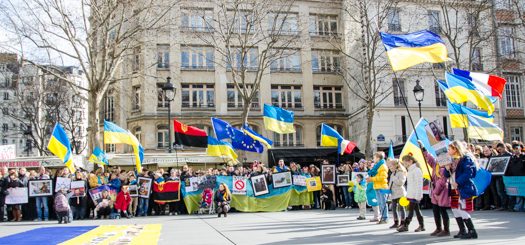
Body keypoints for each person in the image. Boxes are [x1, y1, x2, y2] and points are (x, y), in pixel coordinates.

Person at [445, 140, 478, 239]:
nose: (448, 150)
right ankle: (462, 230)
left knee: (461, 208)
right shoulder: (452, 159)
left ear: (455, 149)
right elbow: (446, 175)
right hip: (453, 187)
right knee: (455, 209)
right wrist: (447, 169)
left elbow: (469, 172)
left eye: (449, 149)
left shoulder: (466, 158)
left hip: (462, 187)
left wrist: (458, 182)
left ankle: (472, 231)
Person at [397, 155, 425, 232]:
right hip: (411, 194)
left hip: (415, 194)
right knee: (416, 210)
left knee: (411, 210)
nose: (404, 164)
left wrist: (417, 195)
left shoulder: (416, 170)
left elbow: (419, 184)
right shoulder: (410, 170)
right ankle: (421, 225)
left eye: (405, 163)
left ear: (410, 161)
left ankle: (406, 225)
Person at [367, 152, 389, 224]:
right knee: (380, 203)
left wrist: (372, 179)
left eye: (374, 157)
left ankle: (385, 218)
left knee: (383, 203)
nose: (373, 159)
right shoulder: (377, 166)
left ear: (378, 158)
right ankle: (382, 217)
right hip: (377, 186)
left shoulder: (382, 166)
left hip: (382, 187)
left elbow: (383, 177)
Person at [387, 159, 407, 229]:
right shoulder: (393, 173)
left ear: (396, 165)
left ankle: (403, 222)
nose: (390, 168)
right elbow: (390, 183)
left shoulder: (401, 172)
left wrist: (394, 178)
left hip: (400, 193)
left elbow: (401, 182)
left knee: (402, 208)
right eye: (389, 167)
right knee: (393, 208)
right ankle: (396, 222)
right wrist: (388, 190)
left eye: (391, 166)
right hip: (394, 193)